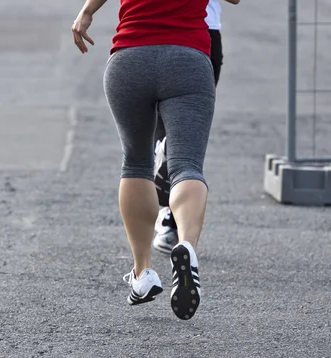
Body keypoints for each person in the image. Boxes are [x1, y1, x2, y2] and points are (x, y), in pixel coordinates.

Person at [72, 0, 217, 320]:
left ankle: (143, 274)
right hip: (187, 58)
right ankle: (187, 246)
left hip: (130, 58)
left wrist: (87, 11)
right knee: (187, 165)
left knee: (136, 162)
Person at [153, 0, 240, 255]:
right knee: (185, 135)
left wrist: (88, 11)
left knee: (166, 134)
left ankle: (167, 214)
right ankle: (172, 220)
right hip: (199, 32)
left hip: (155, 31)